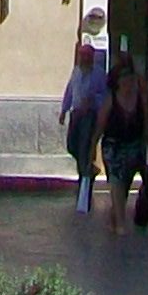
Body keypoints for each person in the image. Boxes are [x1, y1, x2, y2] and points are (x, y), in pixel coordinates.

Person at [98, 58, 148, 229]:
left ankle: (115, 218)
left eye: (131, 77)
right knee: (116, 181)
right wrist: (92, 149)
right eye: (125, 77)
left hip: (133, 146)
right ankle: (120, 225)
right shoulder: (111, 100)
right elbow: (100, 125)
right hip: (112, 148)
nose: (129, 81)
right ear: (117, 81)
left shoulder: (140, 99)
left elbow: (146, 123)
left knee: (124, 186)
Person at [58, 43, 107, 213]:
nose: (82, 58)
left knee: (85, 148)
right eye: (81, 55)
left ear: (91, 57)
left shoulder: (99, 74)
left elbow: (105, 96)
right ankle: (90, 170)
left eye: (86, 55)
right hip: (76, 114)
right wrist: (64, 110)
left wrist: (94, 100)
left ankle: (84, 183)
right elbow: (70, 91)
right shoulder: (76, 71)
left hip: (89, 116)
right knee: (72, 146)